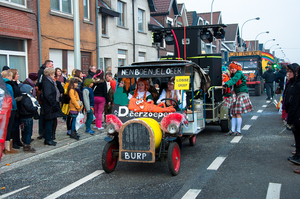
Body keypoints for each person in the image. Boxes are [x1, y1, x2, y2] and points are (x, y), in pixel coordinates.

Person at [223, 61, 253, 136]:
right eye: (231, 68)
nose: (232, 69)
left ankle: (238, 131)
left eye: (233, 68)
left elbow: (234, 80)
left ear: (237, 68)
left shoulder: (238, 73)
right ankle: (233, 130)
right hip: (236, 95)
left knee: (237, 113)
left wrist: (227, 84)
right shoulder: (233, 75)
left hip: (241, 94)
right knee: (233, 113)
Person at [42, 68, 64, 146]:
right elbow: (48, 95)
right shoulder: (47, 83)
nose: (54, 75)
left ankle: (49, 138)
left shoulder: (49, 82)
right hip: (50, 106)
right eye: (53, 73)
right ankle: (48, 139)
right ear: (50, 74)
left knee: (51, 122)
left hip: (51, 105)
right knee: (49, 123)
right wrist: (54, 104)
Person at [283, 64, 300, 165]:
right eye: (287, 72)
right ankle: (297, 154)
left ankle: (298, 155)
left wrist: (290, 118)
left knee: (298, 135)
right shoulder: (291, 83)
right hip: (293, 112)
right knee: (296, 135)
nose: (288, 74)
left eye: (290, 72)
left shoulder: (297, 84)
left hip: (297, 114)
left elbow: (295, 102)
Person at [17, 84, 40, 152]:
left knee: (24, 131)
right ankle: (27, 145)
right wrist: (35, 108)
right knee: (28, 132)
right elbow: (28, 107)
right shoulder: (26, 98)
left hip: (23, 116)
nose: (31, 91)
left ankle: (25, 143)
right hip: (27, 116)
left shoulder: (21, 97)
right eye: (30, 89)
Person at [1, 70, 18, 154]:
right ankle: (7, 148)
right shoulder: (8, 85)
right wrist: (15, 107)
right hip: (9, 109)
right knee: (8, 128)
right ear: (8, 77)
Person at [37, 60, 53, 140]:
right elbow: (39, 84)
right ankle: (42, 132)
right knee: (43, 116)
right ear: (47, 65)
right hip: (44, 100)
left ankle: (45, 133)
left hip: (46, 99)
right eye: (51, 65)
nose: (52, 66)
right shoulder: (42, 72)